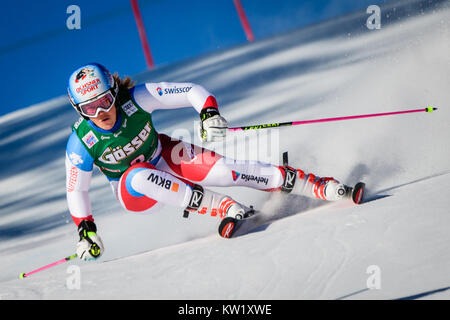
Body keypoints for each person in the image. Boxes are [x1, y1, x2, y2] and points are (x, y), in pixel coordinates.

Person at [66, 63, 350, 261]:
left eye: (105, 100)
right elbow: (77, 189)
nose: (101, 111)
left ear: (115, 92)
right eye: (90, 108)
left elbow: (190, 91)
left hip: (164, 153)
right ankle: (224, 206)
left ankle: (313, 184)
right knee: (139, 176)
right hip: (135, 192)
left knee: (227, 170)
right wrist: (86, 231)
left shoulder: (137, 99)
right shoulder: (81, 141)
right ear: (80, 110)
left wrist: (209, 113)